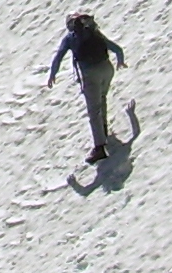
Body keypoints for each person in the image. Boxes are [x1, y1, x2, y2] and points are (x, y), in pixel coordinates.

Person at [48, 11, 126, 163]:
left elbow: (59, 56)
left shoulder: (70, 38)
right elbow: (116, 48)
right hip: (106, 68)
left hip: (90, 74)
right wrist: (120, 60)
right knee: (102, 98)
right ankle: (103, 128)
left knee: (93, 109)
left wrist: (52, 74)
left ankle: (99, 147)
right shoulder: (93, 31)